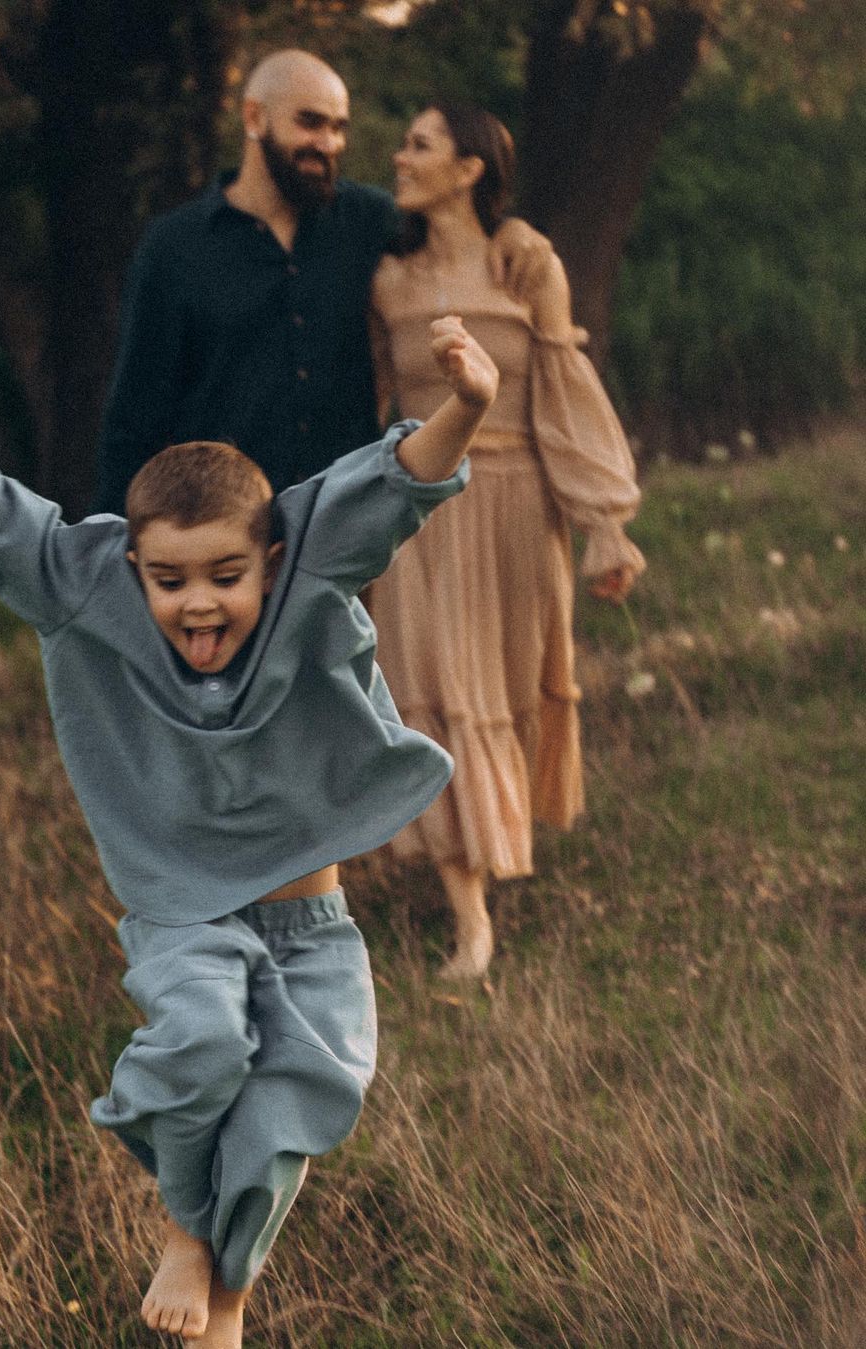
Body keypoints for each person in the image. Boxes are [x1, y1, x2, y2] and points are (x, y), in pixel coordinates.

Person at [0, 315, 498, 1347]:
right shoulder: (89, 585)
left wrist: (469, 404)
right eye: (168, 580)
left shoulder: (310, 561)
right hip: (184, 913)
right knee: (203, 1039)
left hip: (311, 922)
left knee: (304, 1099)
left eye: (224, 574)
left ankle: (226, 1300)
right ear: (132, 565)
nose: (198, 602)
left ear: (270, 553)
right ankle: (184, 1227)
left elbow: (398, 483)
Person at [368, 102, 646, 980]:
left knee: (506, 688)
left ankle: (492, 843)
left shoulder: (526, 267)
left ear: (470, 168)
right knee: (436, 690)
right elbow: (376, 408)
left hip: (523, 505)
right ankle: (469, 918)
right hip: (426, 510)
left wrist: (605, 524)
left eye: (420, 144)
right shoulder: (387, 282)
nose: (400, 156)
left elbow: (563, 395)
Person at [92, 48, 398, 510]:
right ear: (254, 118)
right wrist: (116, 547)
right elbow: (135, 417)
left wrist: (516, 240)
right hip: (222, 534)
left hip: (345, 524)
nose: (330, 143)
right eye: (311, 122)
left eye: (339, 127)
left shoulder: (368, 222)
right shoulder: (174, 247)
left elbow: (463, 236)